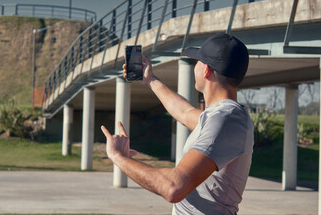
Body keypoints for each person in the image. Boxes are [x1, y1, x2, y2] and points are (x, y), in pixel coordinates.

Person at [101, 32, 254, 215]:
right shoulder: (223, 116)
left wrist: (118, 157)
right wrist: (150, 80)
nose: (194, 66)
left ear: (206, 70)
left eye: (197, 61)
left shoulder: (226, 119)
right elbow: (184, 112)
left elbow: (173, 187)